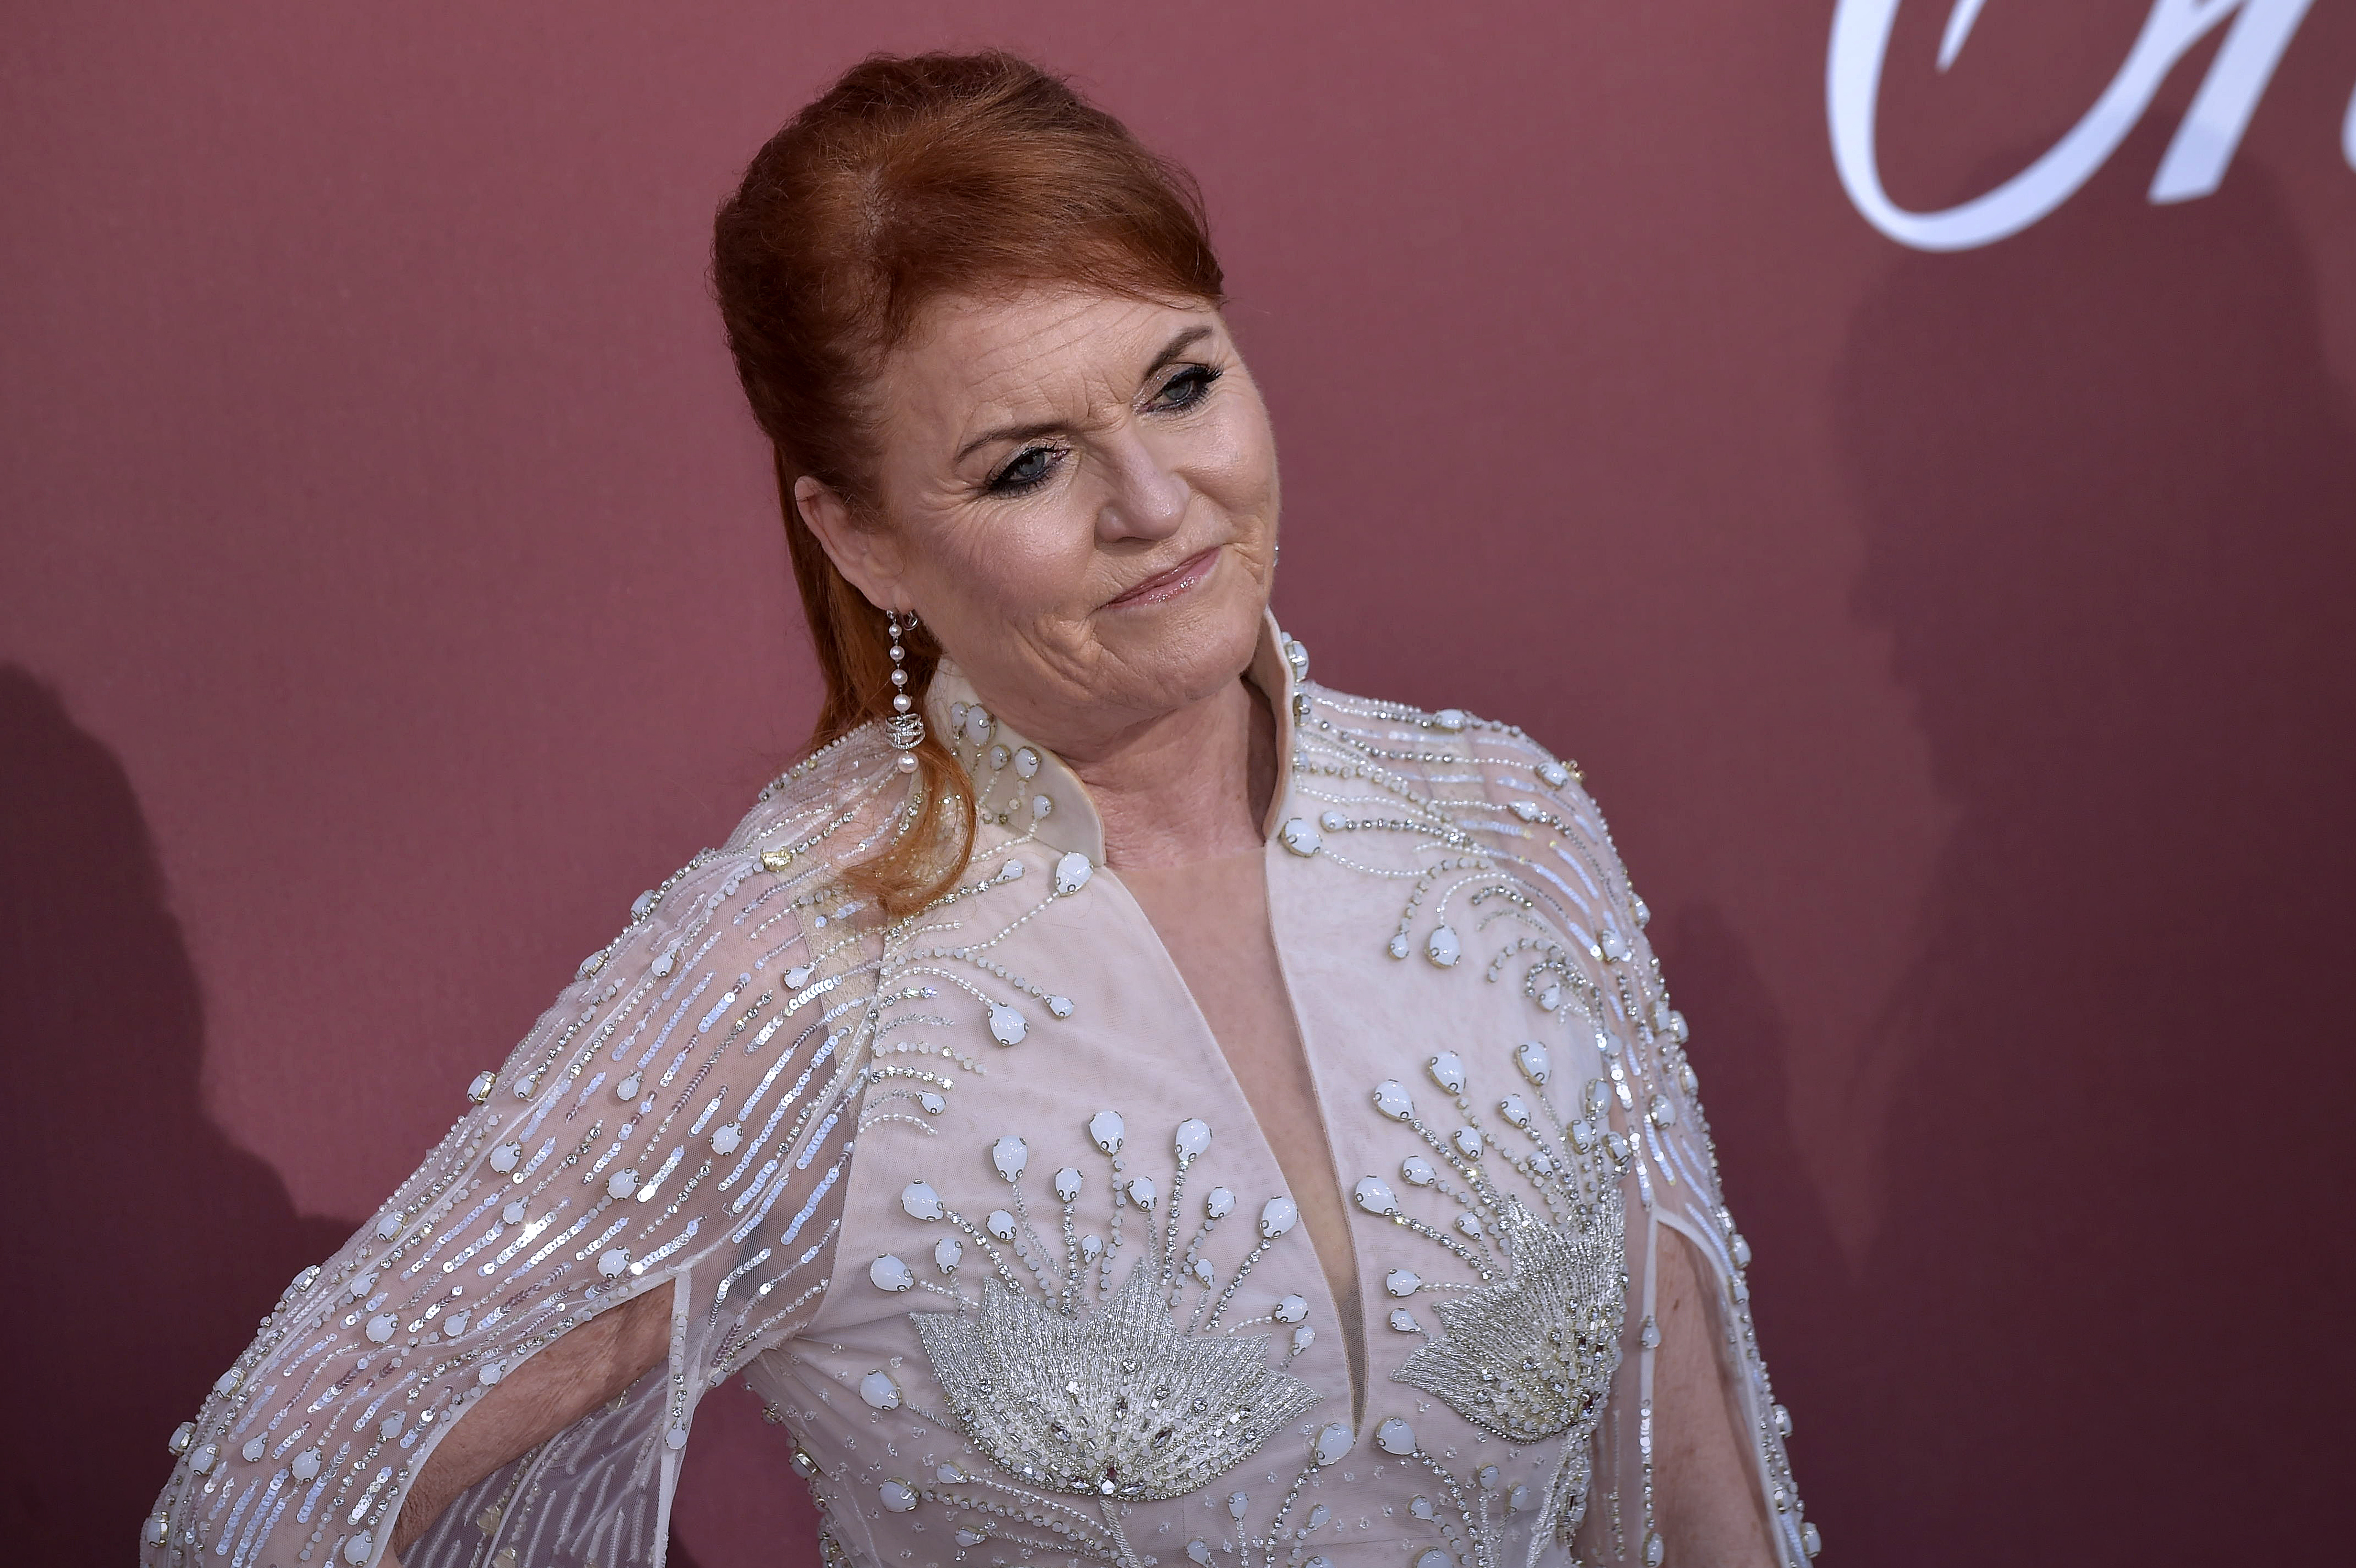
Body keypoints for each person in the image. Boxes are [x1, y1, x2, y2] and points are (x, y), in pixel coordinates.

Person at [145, 51, 1811, 1568]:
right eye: (1026, 464)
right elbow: (276, 1488)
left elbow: (1687, 1485)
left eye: (1180, 382)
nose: (1157, 504)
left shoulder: (1511, 827)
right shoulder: (811, 955)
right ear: (862, 539)